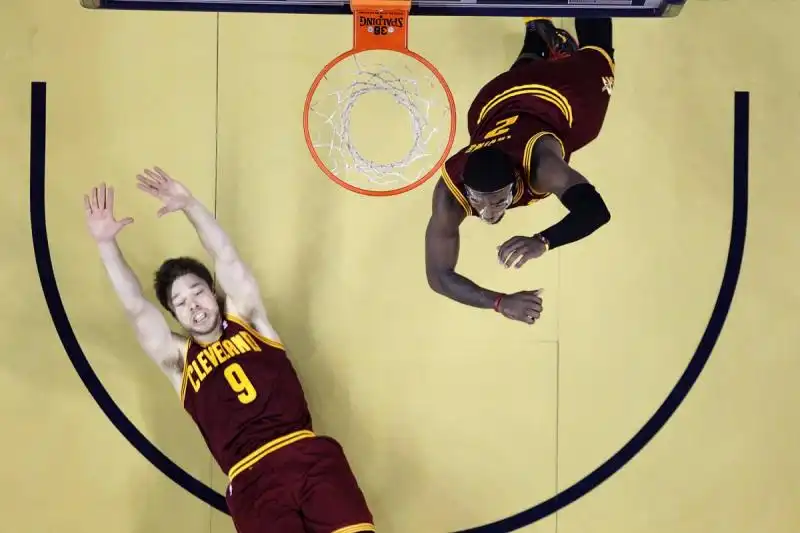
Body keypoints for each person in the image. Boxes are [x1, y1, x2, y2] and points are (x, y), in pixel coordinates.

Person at [83, 169, 375, 533]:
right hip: (252, 480)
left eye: (198, 292)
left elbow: (226, 254)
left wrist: (190, 205)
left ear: (213, 291)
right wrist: (106, 245)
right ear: (174, 315)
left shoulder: (249, 320)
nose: (194, 306)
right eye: (181, 303)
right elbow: (135, 307)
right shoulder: (179, 360)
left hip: (305, 453)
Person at [425, 17, 616, 325]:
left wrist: (543, 241)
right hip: (500, 101)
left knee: (599, 55)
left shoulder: (541, 166)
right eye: (480, 202)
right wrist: (499, 303)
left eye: (499, 201)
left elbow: (596, 211)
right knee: (505, 97)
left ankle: (575, 39)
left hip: (564, 95)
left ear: (517, 181)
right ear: (466, 188)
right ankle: (536, 33)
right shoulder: (451, 192)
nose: (488, 213)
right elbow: (438, 276)